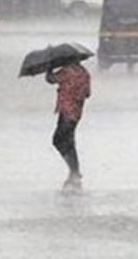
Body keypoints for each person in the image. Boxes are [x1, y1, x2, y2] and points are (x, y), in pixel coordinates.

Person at [45, 61, 91, 190]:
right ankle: (74, 171)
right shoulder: (84, 73)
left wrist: (50, 68)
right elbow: (87, 93)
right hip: (76, 112)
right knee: (69, 140)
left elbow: (50, 79)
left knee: (58, 140)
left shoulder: (66, 71)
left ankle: (74, 169)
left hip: (66, 111)